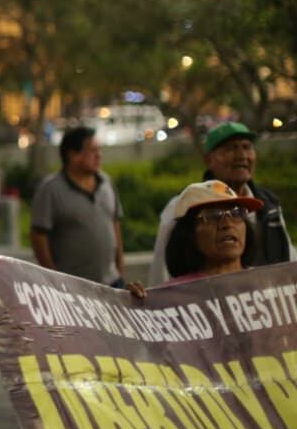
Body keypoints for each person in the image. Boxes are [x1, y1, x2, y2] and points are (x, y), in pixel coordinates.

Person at [147, 121, 292, 286]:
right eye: (230, 149)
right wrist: (160, 298)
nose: (242, 156)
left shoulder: (270, 205)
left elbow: (289, 258)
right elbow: (162, 271)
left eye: (247, 147)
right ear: (209, 159)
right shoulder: (181, 205)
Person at [128, 181, 262, 297]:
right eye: (212, 215)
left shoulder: (266, 284)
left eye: (236, 213)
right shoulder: (172, 297)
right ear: (188, 233)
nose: (227, 223)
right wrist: (131, 305)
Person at [30, 126, 125, 286]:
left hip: (112, 282)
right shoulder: (50, 189)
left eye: (99, 150)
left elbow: (115, 223)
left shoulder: (106, 182)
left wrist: (120, 268)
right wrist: (54, 280)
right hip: (73, 288)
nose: (99, 156)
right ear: (73, 155)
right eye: (93, 151)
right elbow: (38, 237)